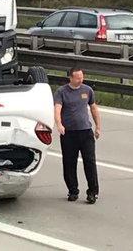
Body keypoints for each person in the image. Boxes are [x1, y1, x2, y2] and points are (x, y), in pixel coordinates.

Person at [53, 67, 102, 204]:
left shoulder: (87, 90)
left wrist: (98, 126)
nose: (81, 80)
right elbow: (57, 109)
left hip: (85, 132)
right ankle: (73, 190)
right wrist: (59, 124)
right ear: (70, 78)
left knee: (90, 162)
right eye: (78, 78)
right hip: (69, 133)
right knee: (69, 162)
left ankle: (93, 192)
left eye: (82, 77)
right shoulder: (61, 92)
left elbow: (93, 108)